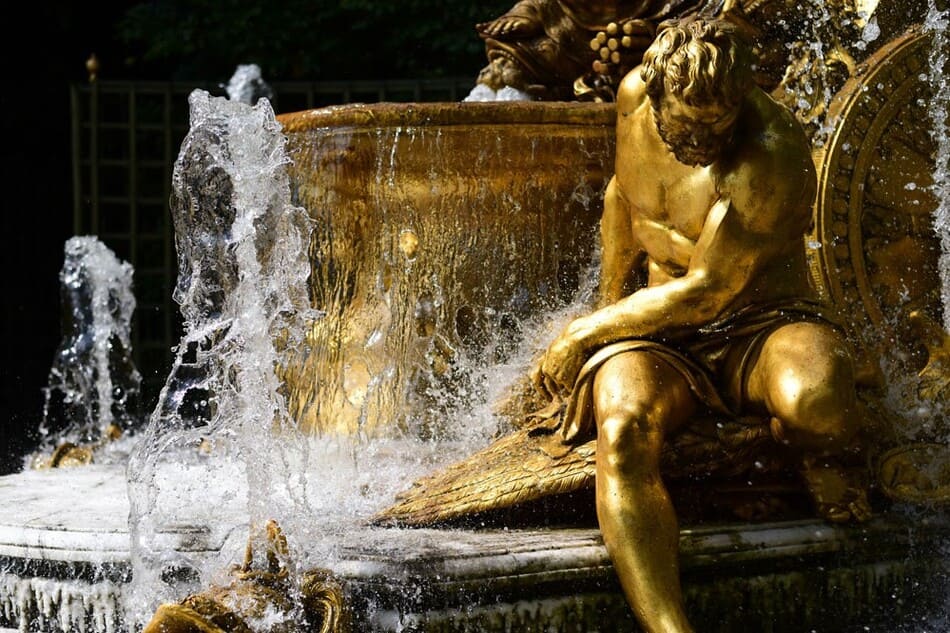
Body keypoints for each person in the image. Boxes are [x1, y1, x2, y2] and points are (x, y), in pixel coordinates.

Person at [532, 16, 869, 633]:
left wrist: (585, 332)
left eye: (720, 122)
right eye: (687, 122)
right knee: (624, 429)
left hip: (764, 325)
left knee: (819, 404)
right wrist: (608, 314)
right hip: (662, 333)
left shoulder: (771, 152)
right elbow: (621, 199)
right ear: (655, 90)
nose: (705, 139)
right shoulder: (632, 96)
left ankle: (821, 452)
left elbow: (710, 292)